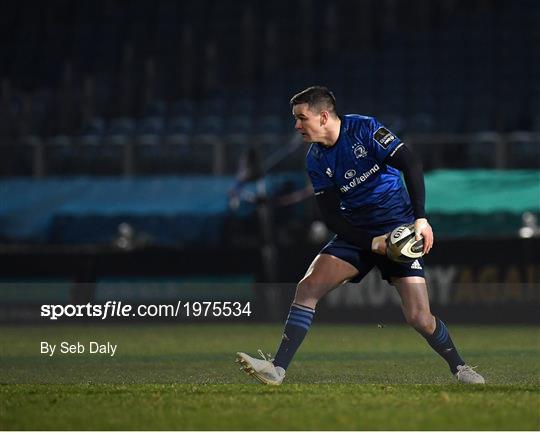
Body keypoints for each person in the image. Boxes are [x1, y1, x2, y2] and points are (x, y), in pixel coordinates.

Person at [236, 86, 485, 385]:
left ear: (324, 116)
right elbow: (330, 216)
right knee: (307, 288)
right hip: (358, 234)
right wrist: (369, 242)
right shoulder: (315, 160)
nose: (297, 126)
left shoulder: (365, 129)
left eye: (302, 118)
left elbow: (411, 163)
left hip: (398, 232)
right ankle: (277, 369)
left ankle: (460, 367)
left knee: (419, 317)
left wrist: (420, 218)